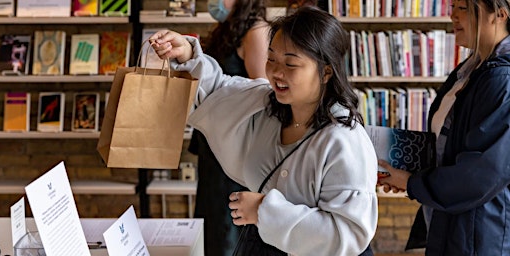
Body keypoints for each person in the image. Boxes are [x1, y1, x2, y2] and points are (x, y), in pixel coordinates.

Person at [150, 6, 378, 255]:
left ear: (325, 72)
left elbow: (348, 234)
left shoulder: (344, 140)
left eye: (291, 64)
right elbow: (219, 90)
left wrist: (264, 211)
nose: (276, 73)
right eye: (271, 59)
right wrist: (187, 54)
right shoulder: (263, 105)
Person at [378, 0, 510, 254]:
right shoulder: (470, 70)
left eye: (464, 8)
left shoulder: (502, 79)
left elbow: (482, 173)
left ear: (500, 15)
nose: (453, 16)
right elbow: (445, 145)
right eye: (453, 7)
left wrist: (412, 183)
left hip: (478, 232)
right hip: (451, 221)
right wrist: (408, 174)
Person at [189, 0, 270, 255]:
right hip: (214, 145)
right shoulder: (228, 27)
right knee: (212, 222)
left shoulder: (256, 31)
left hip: (234, 146)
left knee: (228, 229)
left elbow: (263, 94)